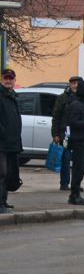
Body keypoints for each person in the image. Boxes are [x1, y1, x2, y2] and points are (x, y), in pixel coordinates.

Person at [52, 80, 84, 205]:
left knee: (81, 168)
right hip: (78, 140)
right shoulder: (76, 104)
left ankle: (76, 193)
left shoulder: (82, 103)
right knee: (78, 167)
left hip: (82, 139)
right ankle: (74, 195)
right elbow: (73, 122)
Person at [0, 68, 21, 214]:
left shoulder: (13, 96)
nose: (8, 81)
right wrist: (4, 134)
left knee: (9, 174)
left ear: (14, 80)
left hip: (12, 143)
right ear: (1, 79)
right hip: (2, 142)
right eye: (6, 78)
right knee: (1, 173)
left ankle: (4, 201)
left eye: (10, 78)